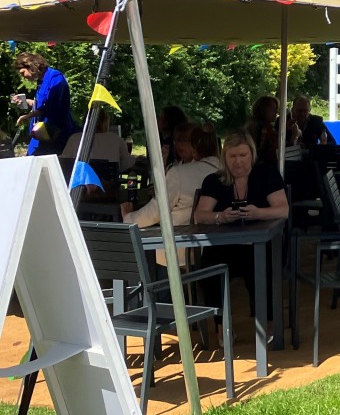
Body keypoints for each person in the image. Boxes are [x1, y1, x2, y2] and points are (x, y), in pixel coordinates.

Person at [194, 130, 290, 335]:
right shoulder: (215, 180)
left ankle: (269, 323)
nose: (238, 162)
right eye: (233, 156)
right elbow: (200, 215)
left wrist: (258, 213)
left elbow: (283, 209)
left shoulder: (266, 174)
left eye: (243, 155)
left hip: (262, 243)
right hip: (225, 245)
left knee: (263, 267)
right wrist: (220, 216)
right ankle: (221, 325)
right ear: (225, 157)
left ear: (252, 154)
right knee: (209, 267)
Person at [121, 123, 220, 265]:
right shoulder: (224, 171)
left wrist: (129, 218)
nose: (179, 145)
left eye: (184, 141)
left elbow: (156, 211)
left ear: (194, 146)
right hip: (215, 250)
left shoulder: (180, 173)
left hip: (181, 253)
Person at [12, 52, 77, 156]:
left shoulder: (55, 78)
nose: (24, 77)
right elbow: (43, 103)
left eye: (23, 73)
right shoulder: (41, 81)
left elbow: (51, 106)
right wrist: (28, 102)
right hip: (41, 134)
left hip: (55, 133)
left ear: (30, 66)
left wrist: (27, 116)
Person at [61, 107, 135, 172]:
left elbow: (64, 162)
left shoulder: (75, 138)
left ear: (85, 121)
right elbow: (127, 163)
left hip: (82, 185)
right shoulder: (116, 139)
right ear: (105, 122)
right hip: (108, 185)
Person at [246, 95, 280, 167]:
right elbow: (278, 151)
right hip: (264, 168)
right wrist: (294, 137)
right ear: (263, 109)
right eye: (272, 108)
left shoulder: (249, 125)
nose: (276, 111)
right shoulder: (267, 128)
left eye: (276, 109)